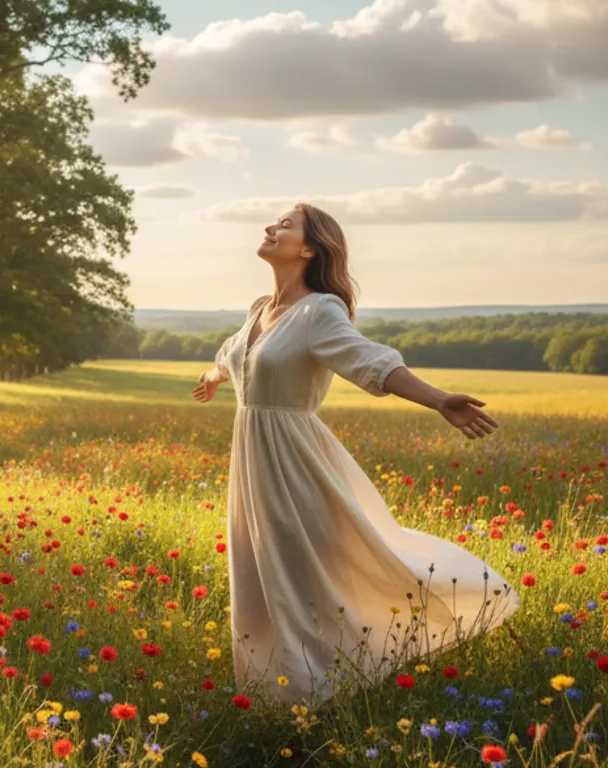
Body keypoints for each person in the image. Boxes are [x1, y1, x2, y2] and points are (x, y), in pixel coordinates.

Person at [191, 203, 520, 711]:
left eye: (284, 225)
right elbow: (232, 354)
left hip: (293, 460)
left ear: (309, 248)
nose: (270, 228)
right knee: (257, 571)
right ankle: (268, 695)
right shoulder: (259, 308)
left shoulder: (320, 310)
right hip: (253, 462)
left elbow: (370, 361)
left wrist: (438, 401)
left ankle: (315, 696)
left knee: (299, 572)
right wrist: (214, 379)